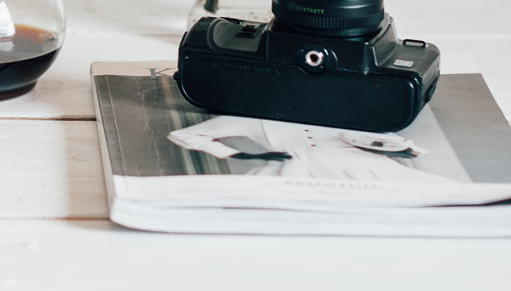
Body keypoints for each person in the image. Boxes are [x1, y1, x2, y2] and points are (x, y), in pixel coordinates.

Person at [167, 114, 451, 183]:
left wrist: (399, 147)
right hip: (298, 165)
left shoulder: (344, 107)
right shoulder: (242, 118)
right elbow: (184, 135)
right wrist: (237, 154)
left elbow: (398, 144)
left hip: (369, 166)